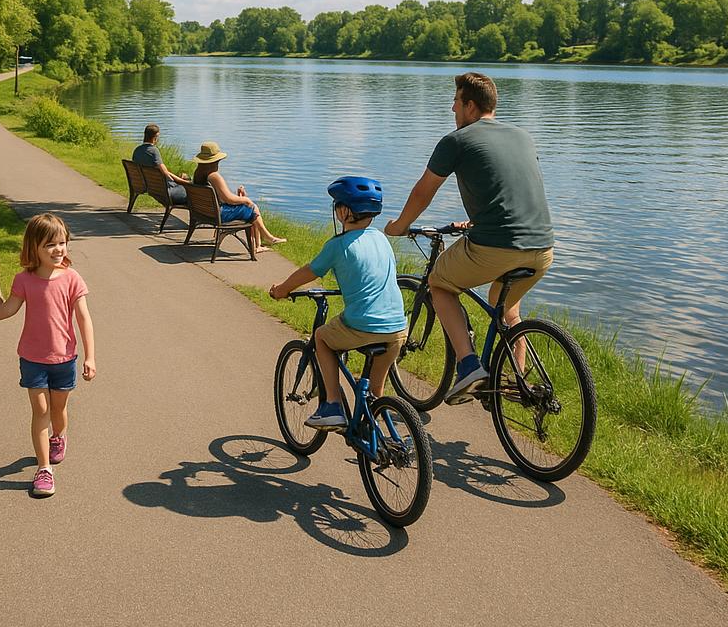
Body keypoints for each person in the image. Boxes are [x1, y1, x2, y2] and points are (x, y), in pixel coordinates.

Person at [384, 72, 554, 403]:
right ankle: (512, 384)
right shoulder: (522, 136)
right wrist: (479, 221)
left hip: (497, 247)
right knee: (507, 310)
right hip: (543, 247)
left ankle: (469, 365)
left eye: (456, 102)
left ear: (470, 106)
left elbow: (423, 192)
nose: (452, 109)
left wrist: (400, 225)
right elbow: (510, 189)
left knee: (439, 285)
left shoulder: (456, 141)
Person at [269, 177, 405, 429]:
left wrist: (282, 290)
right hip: (397, 328)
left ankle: (332, 404)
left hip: (363, 325)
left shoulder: (338, 245)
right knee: (375, 393)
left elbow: (309, 271)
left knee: (321, 337)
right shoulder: (382, 239)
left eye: (336, 206)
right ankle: (379, 439)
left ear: (344, 211)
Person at [0, 213, 95, 499]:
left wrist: (90, 357)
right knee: (41, 412)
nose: (58, 249)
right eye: (50, 245)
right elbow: (8, 309)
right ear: (34, 248)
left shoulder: (72, 279)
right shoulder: (24, 280)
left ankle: (59, 437)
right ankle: (44, 469)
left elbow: (84, 319)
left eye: (62, 243)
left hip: (65, 359)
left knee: (58, 411)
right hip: (33, 359)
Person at [191, 140, 286, 253]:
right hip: (219, 215)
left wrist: (240, 198)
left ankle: (262, 241)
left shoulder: (198, 174)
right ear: (215, 160)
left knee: (250, 207)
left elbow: (219, 197)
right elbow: (229, 199)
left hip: (205, 212)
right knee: (252, 207)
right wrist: (245, 199)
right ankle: (265, 239)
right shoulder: (214, 176)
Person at [132, 123, 189, 204]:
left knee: (184, 177)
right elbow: (165, 173)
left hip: (147, 185)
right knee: (189, 188)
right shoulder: (153, 150)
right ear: (155, 137)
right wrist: (182, 181)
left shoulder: (137, 150)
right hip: (164, 191)